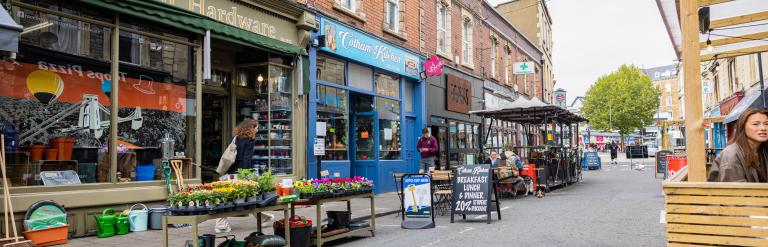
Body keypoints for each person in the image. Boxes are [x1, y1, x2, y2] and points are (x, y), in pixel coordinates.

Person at [216, 119, 259, 233]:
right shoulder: (250, 140)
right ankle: (220, 225)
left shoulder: (236, 138)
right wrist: (246, 175)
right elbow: (246, 158)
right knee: (250, 196)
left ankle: (264, 217)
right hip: (241, 172)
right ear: (251, 128)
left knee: (229, 196)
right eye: (256, 127)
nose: (257, 130)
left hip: (231, 170)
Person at [708, 109, 768, 182]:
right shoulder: (731, 154)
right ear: (743, 127)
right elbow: (735, 190)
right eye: (755, 124)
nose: (763, 128)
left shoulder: (762, 151)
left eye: (766, 124)